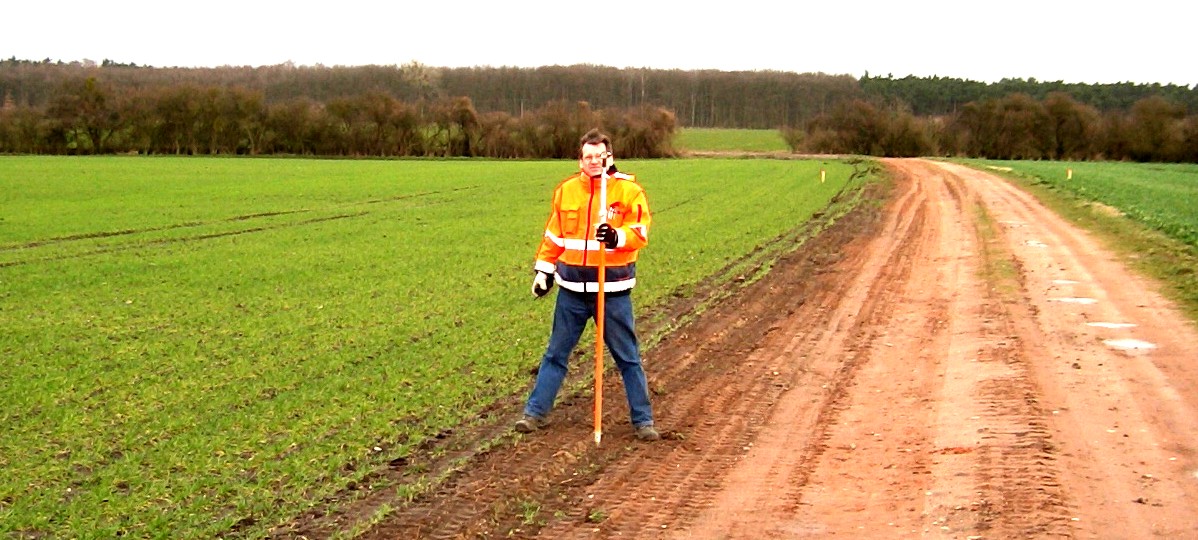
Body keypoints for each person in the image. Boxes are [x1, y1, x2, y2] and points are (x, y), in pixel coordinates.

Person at [516, 128, 660, 441]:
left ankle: (643, 420)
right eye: (588, 156)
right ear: (581, 160)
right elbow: (554, 237)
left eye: (600, 156)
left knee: (627, 357)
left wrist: (616, 237)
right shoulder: (566, 191)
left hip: (612, 290)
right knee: (556, 353)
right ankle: (534, 413)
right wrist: (543, 271)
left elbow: (640, 232)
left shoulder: (627, 191)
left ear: (609, 157)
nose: (594, 161)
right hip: (571, 288)